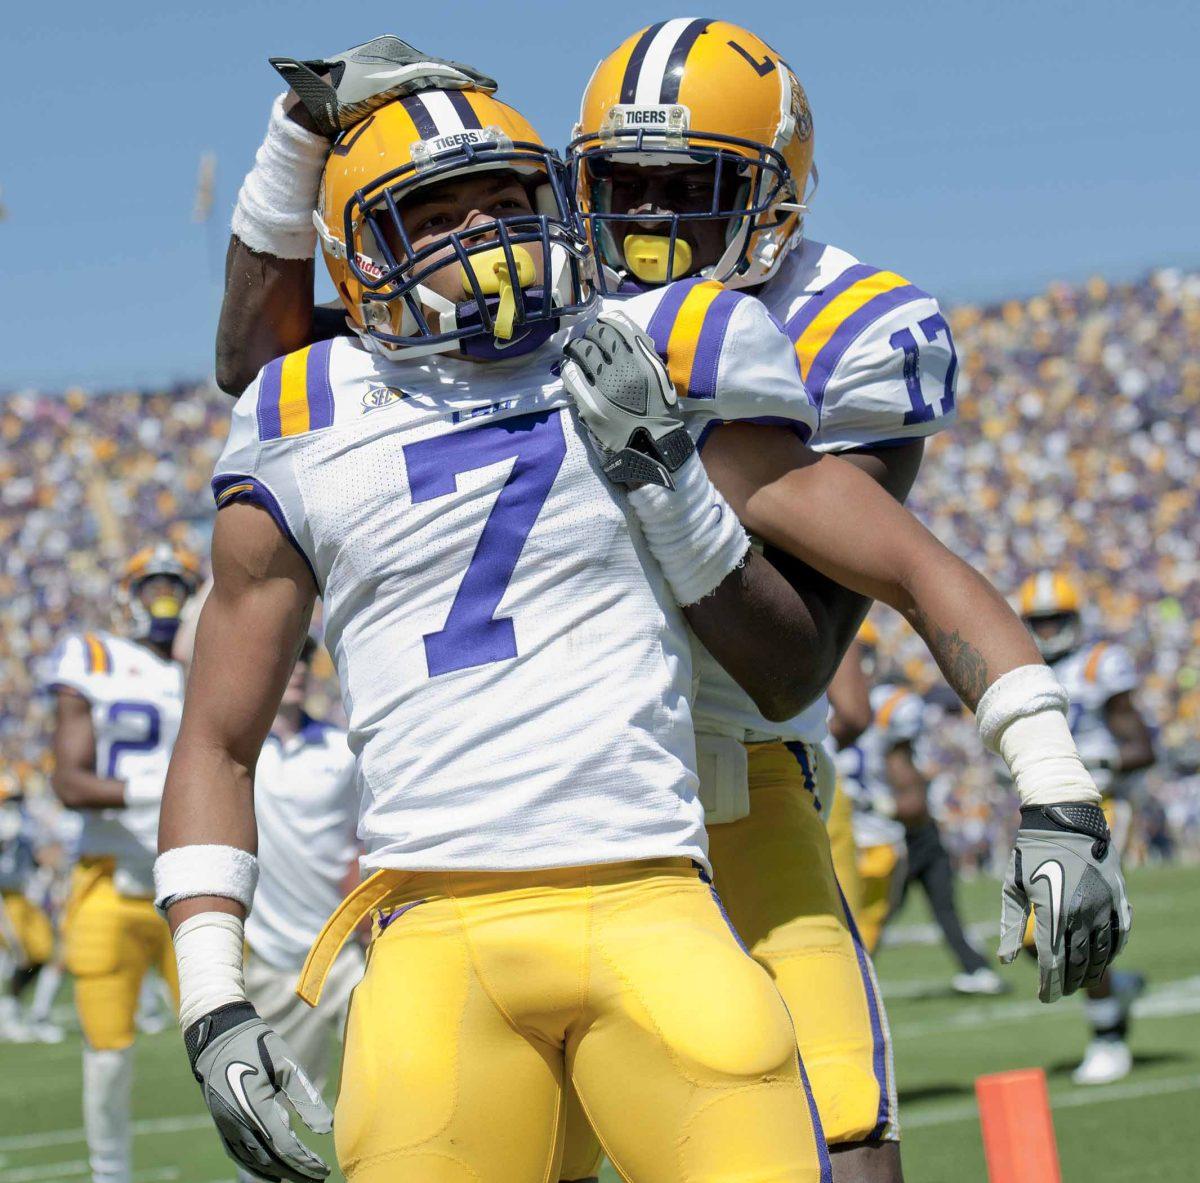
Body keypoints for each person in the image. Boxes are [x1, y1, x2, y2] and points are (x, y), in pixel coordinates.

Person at [209, 37, 1132, 1183]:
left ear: (773, 194)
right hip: (511, 828)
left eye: (690, 188)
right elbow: (262, 368)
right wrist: (300, 141)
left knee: (842, 1144)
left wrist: (1050, 778)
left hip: (731, 777)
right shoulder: (536, 287)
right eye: (623, 185)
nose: (649, 224)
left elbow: (794, 659)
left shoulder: (830, 328)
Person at [157, 86, 840, 1183]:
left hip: (652, 892)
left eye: (504, 198)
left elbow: (835, 619)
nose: (481, 231)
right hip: (436, 926)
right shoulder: (306, 404)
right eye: (436, 212)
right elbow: (217, 738)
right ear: (359, 253)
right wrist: (211, 996)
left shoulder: (650, 335)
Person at [43, 543, 198, 1183]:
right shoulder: (95, 656)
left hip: (193, 877)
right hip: (110, 878)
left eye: (177, 585)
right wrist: (159, 791)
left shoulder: (207, 666)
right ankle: (109, 1174)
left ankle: (255, 1169)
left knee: (227, 1039)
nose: (164, 596)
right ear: (127, 593)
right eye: (152, 583)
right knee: (107, 1053)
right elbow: (69, 783)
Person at [1017, 571, 1155, 1084]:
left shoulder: (1101, 665)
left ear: (1074, 619)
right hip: (1046, 812)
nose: (1049, 631)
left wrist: (1104, 762)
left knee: (1068, 920)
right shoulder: (1023, 671)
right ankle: (1113, 990)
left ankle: (1109, 1035)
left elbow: (1143, 746)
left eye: (1057, 620)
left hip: (1098, 806)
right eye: (1040, 621)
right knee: (1036, 938)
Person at [829, 626, 1004, 994]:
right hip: (883, 830)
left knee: (872, 916)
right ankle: (848, 989)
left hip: (863, 825)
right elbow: (910, 796)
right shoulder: (892, 705)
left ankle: (973, 968)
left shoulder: (820, 706)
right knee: (868, 919)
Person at [0, 784, 63, 1042]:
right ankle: (9, 1015)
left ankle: (25, 1013)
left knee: (45, 952)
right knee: (20, 957)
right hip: (5, 896)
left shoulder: (23, 822)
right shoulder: (9, 822)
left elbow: (38, 855)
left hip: (23, 896)